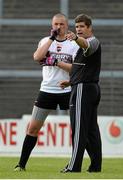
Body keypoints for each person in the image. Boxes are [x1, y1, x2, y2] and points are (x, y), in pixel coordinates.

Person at [14, 13, 78, 171]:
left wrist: (56, 62)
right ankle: (21, 165)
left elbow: (76, 69)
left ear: (67, 25)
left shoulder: (73, 44)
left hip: (67, 89)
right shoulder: (45, 41)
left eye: (62, 24)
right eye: (56, 24)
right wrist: (51, 39)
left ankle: (75, 164)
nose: (58, 27)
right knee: (33, 128)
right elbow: (37, 57)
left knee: (78, 129)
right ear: (52, 25)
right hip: (47, 90)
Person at [57, 14, 102, 173]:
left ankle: (74, 166)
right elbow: (82, 68)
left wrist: (75, 37)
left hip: (84, 89)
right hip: (85, 86)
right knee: (90, 130)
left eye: (82, 26)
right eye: (76, 27)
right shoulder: (80, 45)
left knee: (78, 129)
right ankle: (95, 166)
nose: (79, 29)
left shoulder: (92, 42)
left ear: (90, 27)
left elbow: (86, 46)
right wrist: (71, 81)